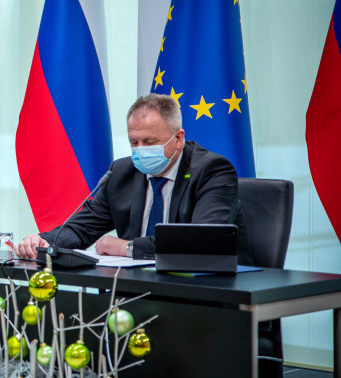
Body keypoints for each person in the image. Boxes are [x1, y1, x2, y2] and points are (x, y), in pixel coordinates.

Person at [14, 93, 249, 261]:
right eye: (133, 142)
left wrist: (128, 248)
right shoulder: (121, 173)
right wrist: (43, 241)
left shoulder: (212, 170)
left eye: (149, 142)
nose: (140, 150)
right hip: (136, 289)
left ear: (178, 138)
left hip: (203, 290)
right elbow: (79, 230)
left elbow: (202, 239)